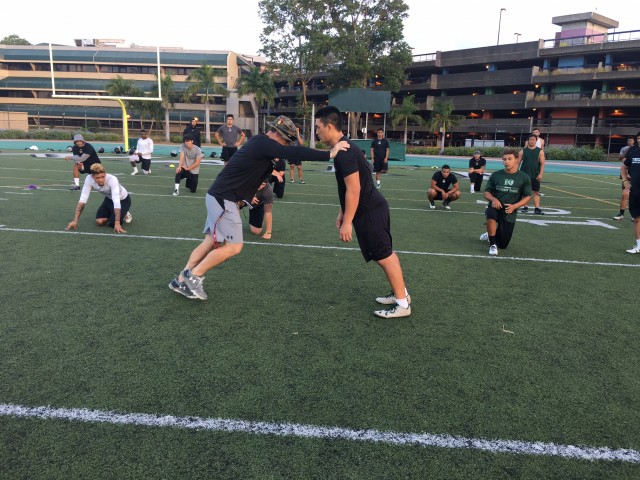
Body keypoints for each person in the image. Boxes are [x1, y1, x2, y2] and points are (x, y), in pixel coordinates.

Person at [168, 115, 349, 300]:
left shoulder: (260, 145)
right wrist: (329, 153)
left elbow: (253, 171)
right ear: (279, 135)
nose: (286, 145)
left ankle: (181, 279)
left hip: (220, 197)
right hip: (223, 199)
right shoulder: (264, 142)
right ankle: (194, 277)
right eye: (287, 141)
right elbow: (294, 153)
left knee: (209, 243)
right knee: (234, 247)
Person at [315, 105, 411, 319]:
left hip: (369, 210)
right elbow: (352, 183)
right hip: (371, 208)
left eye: (318, 127)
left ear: (329, 126)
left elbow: (354, 188)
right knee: (384, 254)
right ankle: (400, 294)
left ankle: (403, 304)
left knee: (384, 255)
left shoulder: (344, 152)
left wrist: (348, 221)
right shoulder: (346, 147)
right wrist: (343, 213)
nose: (317, 132)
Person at [479, 148, 532, 256]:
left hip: (510, 210)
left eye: (509, 159)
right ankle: (492, 244)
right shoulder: (496, 175)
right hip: (495, 206)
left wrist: (515, 206)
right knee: (490, 213)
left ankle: (490, 233)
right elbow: (486, 192)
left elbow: (527, 196)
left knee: (503, 244)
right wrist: (493, 199)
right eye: (504, 159)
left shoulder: (524, 177)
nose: (506, 162)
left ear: (516, 159)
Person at [65, 163, 132, 234]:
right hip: (109, 199)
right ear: (92, 176)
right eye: (98, 178)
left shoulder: (112, 179)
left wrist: (117, 223)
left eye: (103, 177)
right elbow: (82, 200)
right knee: (99, 222)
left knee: (113, 224)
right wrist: (75, 221)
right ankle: (115, 213)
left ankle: (125, 212)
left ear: (105, 174)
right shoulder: (89, 179)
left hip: (123, 200)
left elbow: (116, 201)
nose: (101, 180)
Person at [518, 133, 546, 214]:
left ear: (536, 141)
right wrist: (515, 172)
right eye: (530, 140)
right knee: (525, 192)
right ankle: (525, 207)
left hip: (535, 175)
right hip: (524, 175)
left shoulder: (540, 151)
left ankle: (537, 208)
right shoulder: (523, 151)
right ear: (528, 141)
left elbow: (542, 163)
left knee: (536, 192)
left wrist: (540, 174)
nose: (532, 141)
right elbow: (518, 163)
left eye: (533, 140)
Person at [622, 132, 640, 253]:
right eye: (638, 138)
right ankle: (638, 245)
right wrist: (625, 181)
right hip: (636, 191)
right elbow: (624, 167)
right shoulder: (633, 153)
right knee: (637, 219)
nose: (639, 140)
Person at [613, 137, 634, 220]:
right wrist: (626, 176)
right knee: (625, 194)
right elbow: (624, 163)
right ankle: (621, 214)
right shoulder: (631, 149)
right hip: (630, 177)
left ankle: (634, 215)